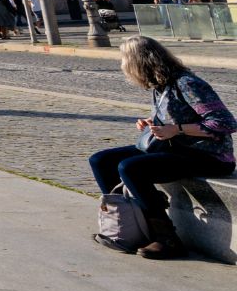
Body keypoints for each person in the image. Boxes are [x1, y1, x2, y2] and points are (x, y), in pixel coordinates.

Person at [89, 35, 236, 259]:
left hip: (210, 156)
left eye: (124, 60)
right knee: (101, 161)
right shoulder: (160, 85)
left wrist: (177, 129)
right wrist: (151, 122)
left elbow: (225, 123)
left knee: (131, 168)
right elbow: (173, 116)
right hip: (174, 148)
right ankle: (128, 223)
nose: (123, 66)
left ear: (138, 62)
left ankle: (167, 238)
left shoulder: (186, 83)